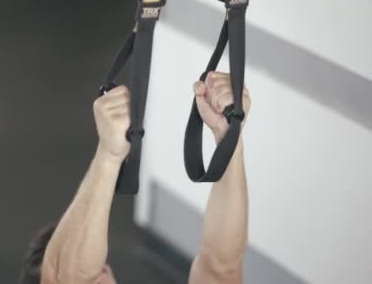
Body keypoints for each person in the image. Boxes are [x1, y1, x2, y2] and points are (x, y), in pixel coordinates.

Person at [19, 71, 251, 284]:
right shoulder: (67, 273)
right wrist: (109, 155)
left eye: (99, 270)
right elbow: (66, 275)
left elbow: (221, 269)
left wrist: (228, 140)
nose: (96, 278)